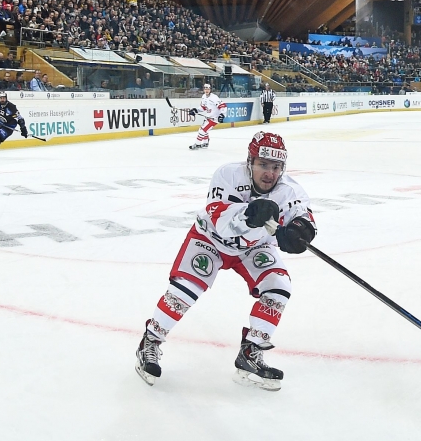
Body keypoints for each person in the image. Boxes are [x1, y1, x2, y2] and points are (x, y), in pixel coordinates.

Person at [135, 131, 317, 387]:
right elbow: (221, 223)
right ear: (250, 162)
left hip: (253, 247)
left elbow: (302, 214)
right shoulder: (227, 175)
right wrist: (247, 214)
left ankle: (251, 353)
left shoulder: (288, 190)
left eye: (276, 167)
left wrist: (301, 230)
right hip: (210, 239)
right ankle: (150, 341)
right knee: (183, 293)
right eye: (263, 165)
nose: (270, 173)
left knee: (279, 288)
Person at [189, 82, 226, 151]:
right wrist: (195, 110)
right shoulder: (203, 97)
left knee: (202, 130)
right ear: (203, 89)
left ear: (210, 89)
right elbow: (203, 107)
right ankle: (205, 143)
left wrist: (222, 114)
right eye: (205, 88)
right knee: (204, 130)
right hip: (209, 117)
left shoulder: (214, 97)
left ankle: (197, 144)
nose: (207, 90)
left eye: (208, 89)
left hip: (214, 118)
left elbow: (223, 106)